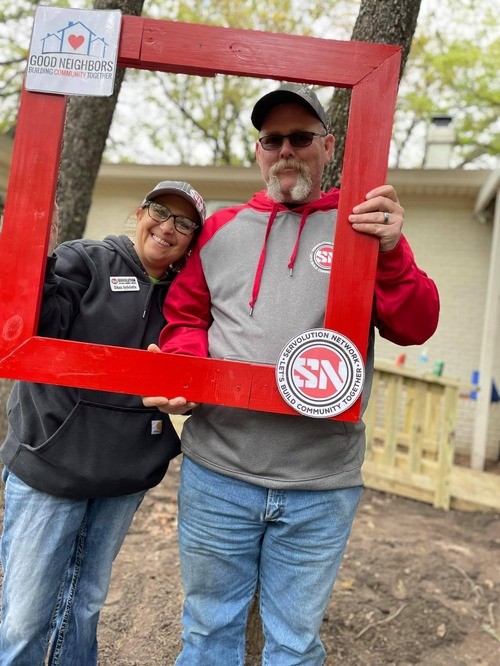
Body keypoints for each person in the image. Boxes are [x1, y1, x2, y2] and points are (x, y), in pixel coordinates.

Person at [144, 83, 440, 665]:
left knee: (295, 645)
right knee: (207, 633)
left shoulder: (362, 229)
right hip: (218, 473)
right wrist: (187, 374)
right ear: (258, 152)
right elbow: (186, 317)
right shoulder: (221, 230)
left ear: (328, 147)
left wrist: (392, 251)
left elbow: (416, 325)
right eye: (272, 139)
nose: (285, 151)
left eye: (300, 138)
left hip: (320, 485)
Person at [0, 181, 206, 665]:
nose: (168, 227)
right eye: (160, 212)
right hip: (52, 464)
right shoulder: (87, 261)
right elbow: (36, 324)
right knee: (25, 617)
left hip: (123, 477)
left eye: (183, 223)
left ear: (192, 241)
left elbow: (193, 373)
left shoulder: (187, 300)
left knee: (85, 606)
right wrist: (35, 254)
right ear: (140, 213)